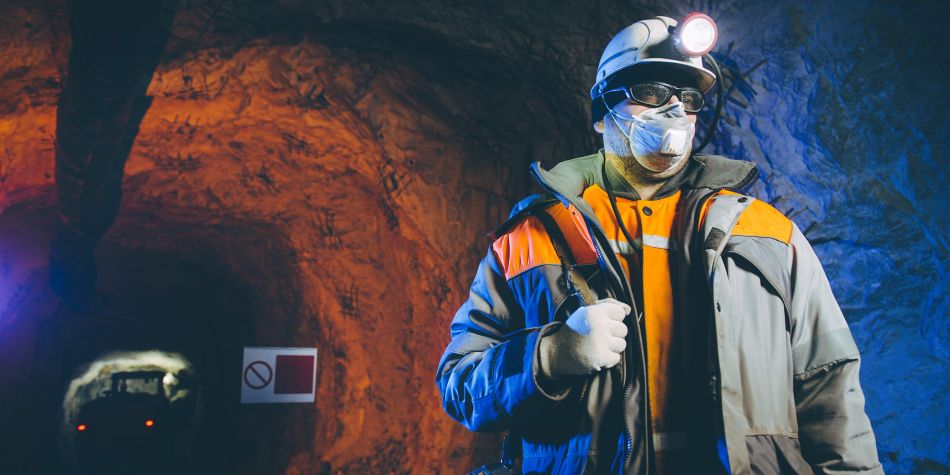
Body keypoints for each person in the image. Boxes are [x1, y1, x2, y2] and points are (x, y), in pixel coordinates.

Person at [436, 14, 882, 475]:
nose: (674, 111)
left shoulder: (768, 235)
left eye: (688, 99)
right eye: (650, 92)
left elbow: (830, 390)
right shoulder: (530, 240)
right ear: (600, 113)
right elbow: (459, 385)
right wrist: (552, 355)